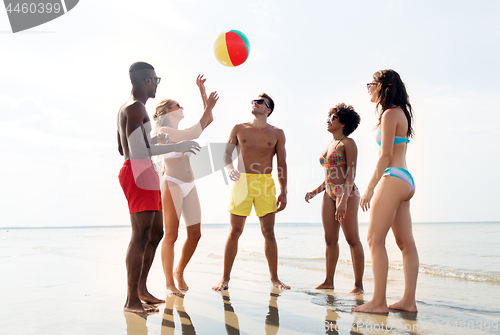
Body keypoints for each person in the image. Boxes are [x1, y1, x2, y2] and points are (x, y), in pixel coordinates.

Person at [117, 61, 200, 313]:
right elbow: (133, 151)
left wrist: (155, 139)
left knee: (155, 234)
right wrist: (177, 146)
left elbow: (124, 146)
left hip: (146, 171)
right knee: (140, 236)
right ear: (146, 81)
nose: (157, 84)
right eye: (155, 79)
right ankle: (131, 300)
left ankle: (141, 290)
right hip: (137, 172)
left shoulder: (133, 108)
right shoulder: (134, 107)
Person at [352, 69, 418, 313]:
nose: (368, 88)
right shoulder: (400, 113)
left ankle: (379, 302)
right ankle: (408, 302)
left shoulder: (390, 114)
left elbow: (386, 156)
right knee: (405, 244)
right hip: (406, 180)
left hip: (393, 177)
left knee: (374, 239)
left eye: (371, 84)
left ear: (383, 86)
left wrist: (369, 188)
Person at [212, 93, 290, 291]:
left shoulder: (277, 133)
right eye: (253, 101)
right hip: (242, 182)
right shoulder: (239, 128)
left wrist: (283, 191)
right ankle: (225, 279)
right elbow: (226, 153)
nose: (255, 103)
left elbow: (282, 163)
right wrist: (230, 169)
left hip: (265, 183)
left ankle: (275, 279)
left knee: (269, 232)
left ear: (268, 109)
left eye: (260, 102)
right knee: (235, 231)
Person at [152, 75, 219, 296]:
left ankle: (180, 270)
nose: (182, 108)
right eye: (177, 106)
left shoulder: (179, 131)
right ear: (166, 113)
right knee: (171, 235)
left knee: (195, 234)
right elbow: (194, 132)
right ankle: (169, 283)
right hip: (172, 184)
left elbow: (206, 121)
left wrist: (203, 92)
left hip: (190, 183)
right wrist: (205, 104)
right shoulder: (163, 132)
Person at [305, 103, 364, 294]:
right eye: (329, 117)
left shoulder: (348, 143)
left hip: (347, 193)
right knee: (330, 240)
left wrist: (343, 200)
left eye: (333, 118)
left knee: (352, 239)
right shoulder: (329, 145)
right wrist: (315, 191)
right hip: (329, 194)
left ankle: (358, 285)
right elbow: (329, 175)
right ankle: (329, 281)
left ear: (343, 123)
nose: (328, 121)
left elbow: (350, 175)